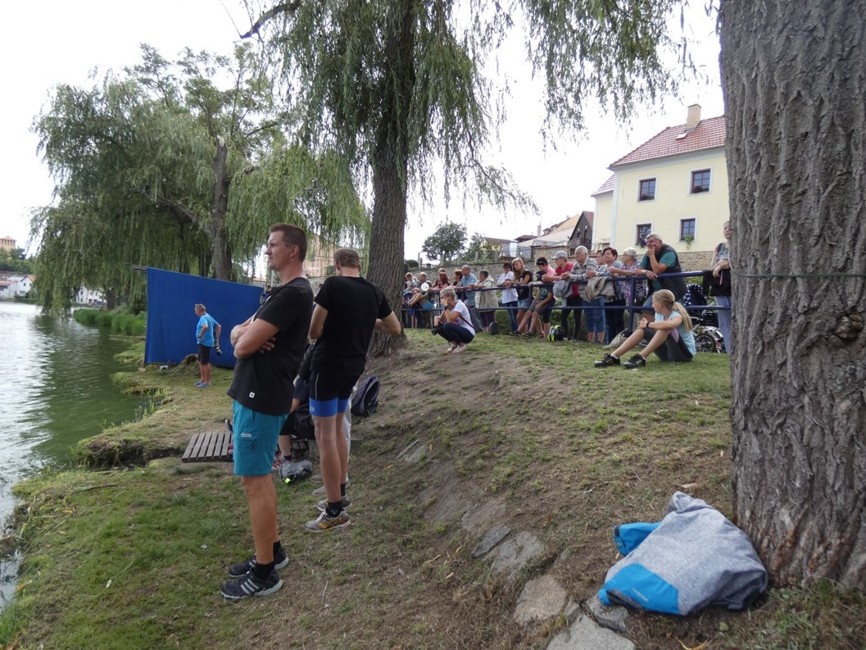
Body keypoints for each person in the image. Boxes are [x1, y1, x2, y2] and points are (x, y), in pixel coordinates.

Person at [221, 223, 313, 601]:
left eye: (273, 244)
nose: (267, 250)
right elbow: (236, 335)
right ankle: (273, 551)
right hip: (257, 394)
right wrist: (244, 335)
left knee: (254, 481)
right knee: (260, 478)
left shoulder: (293, 293)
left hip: (260, 397)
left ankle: (264, 573)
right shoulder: (282, 293)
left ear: (293, 250)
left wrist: (244, 338)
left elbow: (240, 348)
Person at [305, 248, 401, 532]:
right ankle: (341, 491)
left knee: (324, 435)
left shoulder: (333, 285)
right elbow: (394, 328)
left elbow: (313, 331)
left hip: (327, 366)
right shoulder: (373, 290)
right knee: (337, 429)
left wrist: (334, 324)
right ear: (359, 265)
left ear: (337, 265)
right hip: (354, 366)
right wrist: (364, 321)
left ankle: (334, 510)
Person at [594, 289, 696, 369]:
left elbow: (671, 324)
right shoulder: (658, 315)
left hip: (684, 355)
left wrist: (648, 324)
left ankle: (641, 357)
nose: (652, 305)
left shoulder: (676, 315)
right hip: (667, 354)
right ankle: (614, 357)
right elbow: (658, 335)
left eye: (653, 302)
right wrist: (645, 327)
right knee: (643, 329)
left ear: (660, 303)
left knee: (665, 327)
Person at [637, 234, 688, 318]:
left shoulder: (669, 252)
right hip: (657, 291)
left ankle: (675, 327)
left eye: (651, 241)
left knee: (676, 313)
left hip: (673, 290)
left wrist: (652, 256)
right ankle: (655, 326)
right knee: (646, 309)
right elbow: (638, 271)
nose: (649, 244)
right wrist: (646, 271)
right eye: (647, 242)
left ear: (659, 242)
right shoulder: (648, 254)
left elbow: (657, 270)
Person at [608, 247, 646, 330]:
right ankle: (632, 332)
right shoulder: (624, 266)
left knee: (637, 315)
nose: (622, 257)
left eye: (625, 255)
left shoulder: (639, 264)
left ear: (631, 256)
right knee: (630, 314)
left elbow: (634, 273)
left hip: (637, 294)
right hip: (627, 295)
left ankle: (639, 333)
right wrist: (612, 272)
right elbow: (618, 275)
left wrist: (617, 271)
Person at [709, 221, 733, 352]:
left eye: (730, 228)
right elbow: (713, 265)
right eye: (725, 228)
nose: (727, 230)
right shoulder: (719, 247)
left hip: (735, 286)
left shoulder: (742, 244)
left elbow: (732, 263)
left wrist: (722, 265)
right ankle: (730, 351)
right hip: (721, 285)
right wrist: (720, 265)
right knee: (724, 320)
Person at [566, 246, 598, 341]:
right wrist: (567, 276)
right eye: (575, 253)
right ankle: (590, 339)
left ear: (585, 254)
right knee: (588, 317)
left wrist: (572, 277)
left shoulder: (591, 262)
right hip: (583, 295)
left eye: (578, 253)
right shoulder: (576, 265)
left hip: (594, 293)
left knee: (598, 316)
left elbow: (587, 276)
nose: (576, 255)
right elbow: (571, 276)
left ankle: (600, 340)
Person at [432, 286, 475, 352]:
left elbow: (450, 320)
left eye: (442, 297)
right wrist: (437, 320)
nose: (440, 299)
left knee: (447, 325)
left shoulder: (459, 305)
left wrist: (445, 305)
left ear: (448, 297)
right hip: (459, 331)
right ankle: (454, 344)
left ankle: (461, 345)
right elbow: (442, 319)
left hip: (468, 333)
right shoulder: (448, 307)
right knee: (439, 326)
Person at [597, 247, 626, 343]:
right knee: (609, 321)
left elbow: (610, 275)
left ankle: (620, 341)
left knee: (618, 320)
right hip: (607, 297)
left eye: (608, 254)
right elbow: (601, 275)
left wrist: (600, 274)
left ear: (615, 256)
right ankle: (611, 341)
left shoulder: (618, 264)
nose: (606, 256)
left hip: (618, 297)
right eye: (604, 254)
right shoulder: (602, 267)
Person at [525, 257, 554, 338]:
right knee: (535, 313)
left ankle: (545, 336)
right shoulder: (541, 273)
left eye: (540, 266)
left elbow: (547, 283)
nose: (539, 268)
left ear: (545, 264)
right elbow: (540, 286)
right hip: (542, 295)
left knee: (546, 317)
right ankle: (541, 333)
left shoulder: (551, 272)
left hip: (549, 296)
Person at [193, 304, 221, 388]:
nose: (195, 312)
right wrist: (216, 339)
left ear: (199, 310)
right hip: (203, 343)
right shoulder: (208, 316)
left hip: (205, 343)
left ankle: (207, 382)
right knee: (200, 361)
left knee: (205, 362)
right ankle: (202, 380)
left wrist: (200, 336)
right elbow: (218, 326)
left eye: (195, 310)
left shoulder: (203, 318)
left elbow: (205, 326)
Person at [509, 257, 534, 335]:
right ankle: (524, 332)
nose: (515, 266)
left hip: (526, 296)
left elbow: (524, 283)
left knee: (519, 317)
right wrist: (510, 282)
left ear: (521, 263)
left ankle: (521, 332)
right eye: (514, 265)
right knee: (526, 316)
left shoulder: (527, 272)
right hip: (520, 297)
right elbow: (512, 282)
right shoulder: (517, 275)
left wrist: (514, 282)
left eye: (516, 264)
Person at [460, 265, 484, 332]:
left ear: (468, 270)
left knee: (475, 314)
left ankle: (479, 328)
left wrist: (462, 288)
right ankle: (472, 327)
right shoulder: (463, 278)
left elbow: (469, 286)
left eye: (463, 270)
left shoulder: (472, 277)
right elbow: (460, 285)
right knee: (469, 313)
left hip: (474, 298)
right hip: (468, 298)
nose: (462, 271)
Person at [497, 261, 518, 333]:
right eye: (505, 268)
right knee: (510, 316)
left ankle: (516, 330)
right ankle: (513, 330)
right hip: (505, 298)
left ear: (510, 268)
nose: (506, 269)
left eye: (507, 267)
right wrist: (503, 284)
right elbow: (498, 284)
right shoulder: (502, 275)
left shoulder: (511, 274)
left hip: (512, 297)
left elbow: (507, 283)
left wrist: (503, 284)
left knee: (514, 315)